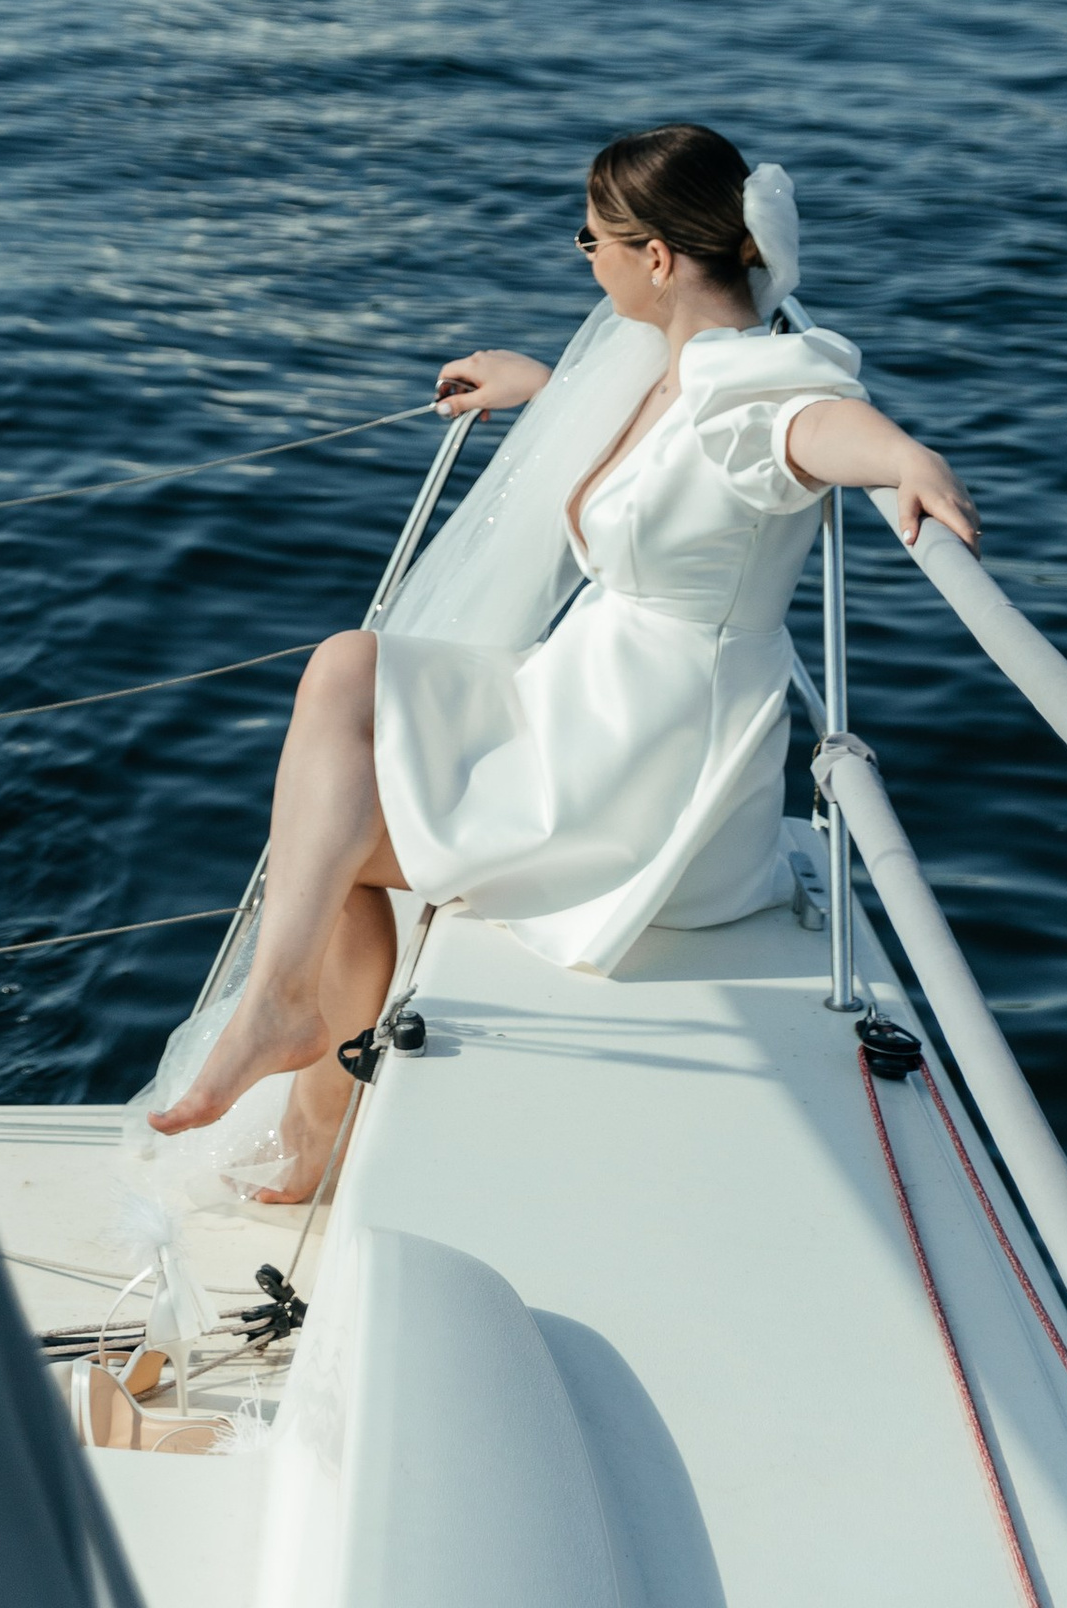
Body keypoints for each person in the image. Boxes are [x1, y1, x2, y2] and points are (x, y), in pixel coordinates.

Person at [148, 122, 979, 1200]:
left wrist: (905, 456)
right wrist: (539, 387)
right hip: (584, 698)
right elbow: (664, 454)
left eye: (589, 238)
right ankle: (294, 1037)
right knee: (346, 668)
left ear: (657, 259)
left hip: (649, 765)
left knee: (339, 830)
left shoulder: (752, 389)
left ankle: (303, 1086)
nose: (580, 256)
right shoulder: (672, 365)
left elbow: (811, 429)